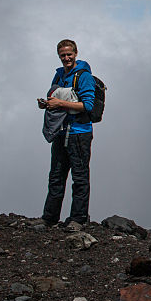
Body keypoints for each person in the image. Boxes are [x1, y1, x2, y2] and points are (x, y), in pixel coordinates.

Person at [39, 39, 96, 227]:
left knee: (79, 178)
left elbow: (87, 105)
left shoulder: (84, 76)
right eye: (63, 55)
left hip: (79, 133)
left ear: (76, 53)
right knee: (55, 176)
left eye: (69, 54)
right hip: (61, 132)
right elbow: (55, 99)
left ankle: (78, 220)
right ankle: (49, 218)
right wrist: (47, 104)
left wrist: (60, 104)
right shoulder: (59, 75)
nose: (66, 58)